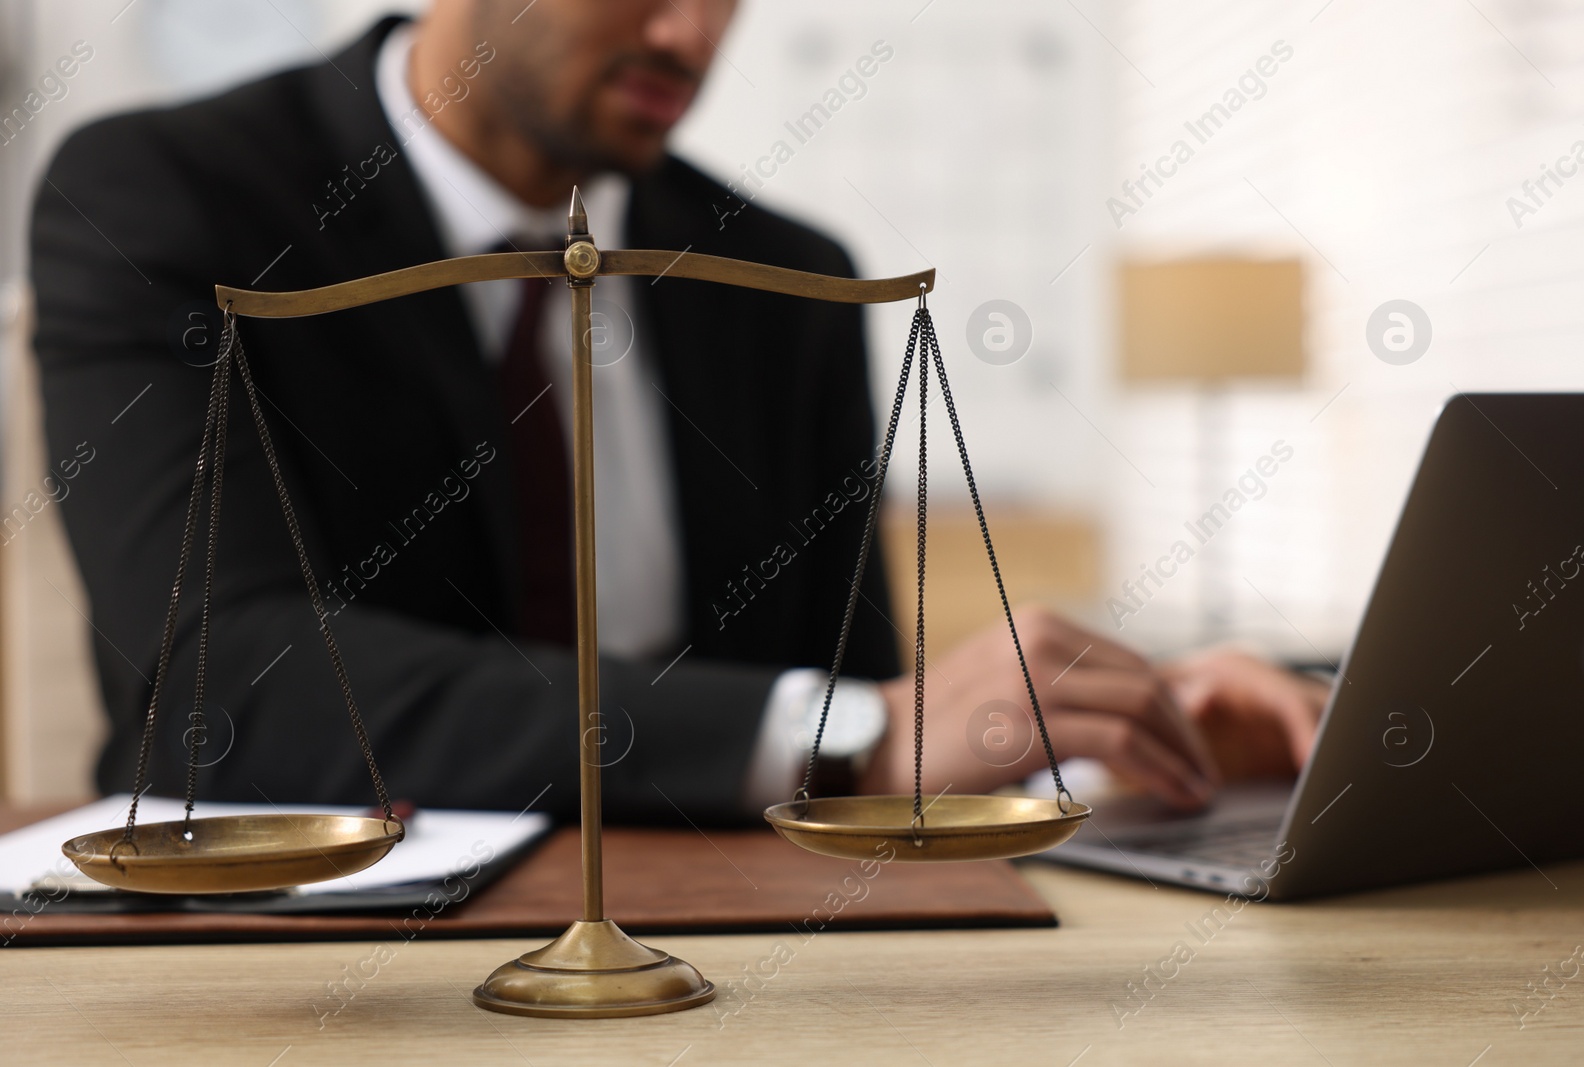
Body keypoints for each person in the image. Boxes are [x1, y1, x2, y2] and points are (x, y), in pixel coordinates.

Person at [30, 0, 1326, 823]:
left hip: (720, 947)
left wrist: (1097, 757)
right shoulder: (169, 197)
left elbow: (857, 717)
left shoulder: (788, 279)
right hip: (293, 956)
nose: (694, 38)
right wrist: (859, 731)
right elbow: (222, 685)